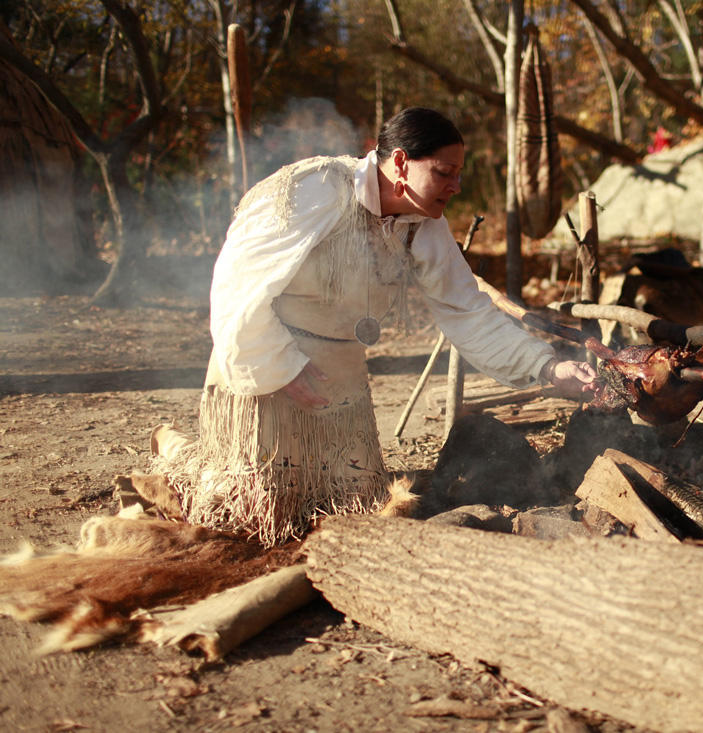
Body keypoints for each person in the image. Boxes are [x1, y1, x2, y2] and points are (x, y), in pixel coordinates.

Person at [153, 107, 597, 546]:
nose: (456, 186)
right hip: (269, 371)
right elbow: (238, 284)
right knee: (252, 518)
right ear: (401, 162)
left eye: (458, 173)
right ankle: (173, 450)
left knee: (354, 513)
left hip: (340, 383)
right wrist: (281, 368)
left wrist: (548, 367)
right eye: (445, 172)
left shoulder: (425, 224)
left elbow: (468, 310)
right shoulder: (316, 189)